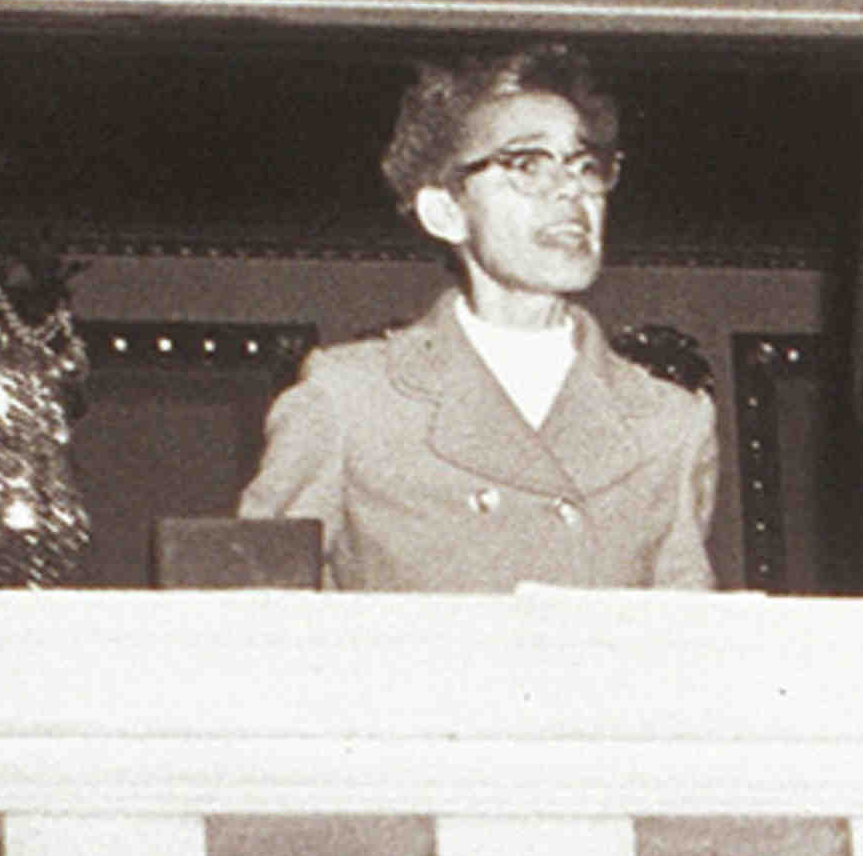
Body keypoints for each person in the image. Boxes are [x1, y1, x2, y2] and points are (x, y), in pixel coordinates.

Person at [238, 42, 719, 591]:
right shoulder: (350, 397)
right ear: (445, 212)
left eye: (587, 166)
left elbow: (686, 647)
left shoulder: (669, 422)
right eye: (527, 164)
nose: (570, 189)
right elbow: (260, 621)